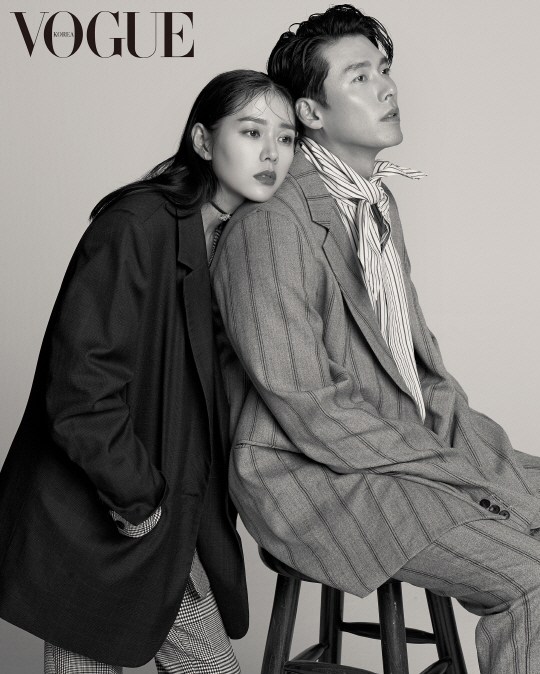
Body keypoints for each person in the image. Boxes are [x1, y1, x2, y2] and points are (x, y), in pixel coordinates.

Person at [210, 7, 540, 673]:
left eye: (384, 69)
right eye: (359, 77)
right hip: (311, 477)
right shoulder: (271, 225)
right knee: (531, 576)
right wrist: (460, 476)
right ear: (310, 112)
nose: (387, 87)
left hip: (396, 450)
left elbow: (419, 372)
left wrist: (483, 462)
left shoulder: (374, 204)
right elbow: (309, 406)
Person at [0, 69, 295, 673]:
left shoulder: (238, 243)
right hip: (96, 523)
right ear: (203, 141)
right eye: (251, 131)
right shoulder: (137, 225)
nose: (271, 153)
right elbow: (81, 389)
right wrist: (139, 502)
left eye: (285, 138)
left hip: (168, 524)